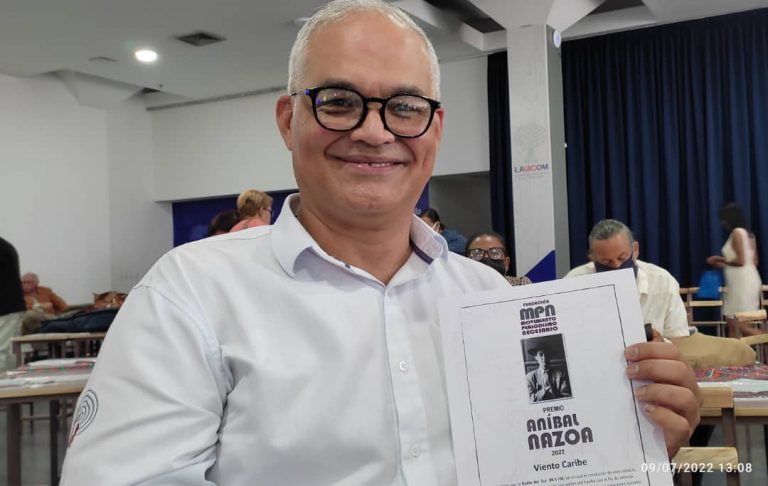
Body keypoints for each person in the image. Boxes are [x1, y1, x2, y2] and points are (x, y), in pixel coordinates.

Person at [61, 1, 700, 484]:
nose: (374, 132)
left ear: (435, 129)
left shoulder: (487, 298)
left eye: (405, 107)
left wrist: (632, 444)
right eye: (339, 101)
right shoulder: (190, 294)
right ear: (288, 120)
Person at [565, 219, 689, 341]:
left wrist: (660, 344)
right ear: (592, 258)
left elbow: (680, 341)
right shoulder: (573, 283)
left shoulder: (662, 282)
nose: (617, 266)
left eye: (622, 258)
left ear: (635, 250)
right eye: (606, 262)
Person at [706, 202, 763, 337]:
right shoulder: (749, 234)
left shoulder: (737, 233)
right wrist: (725, 264)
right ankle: (737, 351)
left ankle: (764, 338)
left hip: (741, 284)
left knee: (735, 322)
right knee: (733, 323)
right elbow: (753, 261)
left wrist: (719, 259)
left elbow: (741, 261)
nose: (722, 222)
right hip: (750, 279)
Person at [465, 231, 532, 285]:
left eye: (495, 253)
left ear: (506, 263)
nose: (486, 257)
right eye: (477, 254)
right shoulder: (460, 289)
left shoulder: (520, 284)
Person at [0, 237, 26, 371]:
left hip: (7, 308)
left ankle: (5, 381)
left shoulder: (3, 248)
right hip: (8, 307)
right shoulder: (5, 246)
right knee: (6, 350)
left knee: (3, 350)